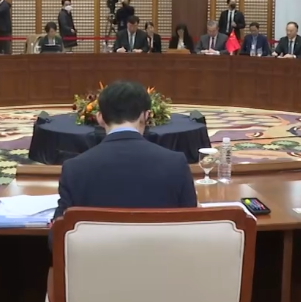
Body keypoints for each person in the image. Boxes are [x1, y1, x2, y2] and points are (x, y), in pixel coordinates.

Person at [52, 80, 197, 231]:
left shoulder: (74, 169)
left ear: (99, 118)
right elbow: (192, 227)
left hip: (99, 247)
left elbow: (59, 234)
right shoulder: (175, 163)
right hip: (161, 246)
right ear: (146, 116)